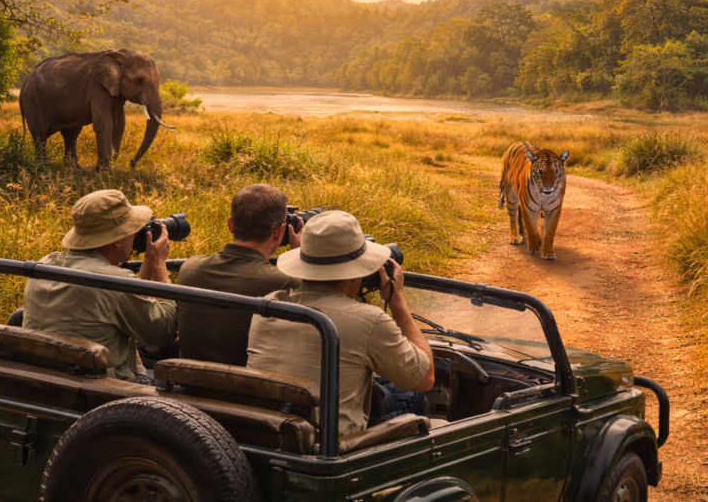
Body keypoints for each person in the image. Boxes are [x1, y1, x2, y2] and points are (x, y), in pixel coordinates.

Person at [247, 211, 435, 436]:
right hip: (334, 448)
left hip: (271, 434)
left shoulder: (269, 305)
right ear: (357, 274)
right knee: (414, 396)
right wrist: (397, 302)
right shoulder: (369, 321)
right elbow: (424, 379)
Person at [23, 189, 177, 383]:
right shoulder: (114, 283)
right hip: (101, 394)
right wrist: (160, 267)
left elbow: (128, 298)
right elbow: (165, 332)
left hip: (42, 382)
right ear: (117, 239)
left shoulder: (44, 265)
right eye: (132, 229)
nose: (134, 235)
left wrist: (149, 259)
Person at [176, 184, 301, 366]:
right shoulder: (285, 282)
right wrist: (299, 258)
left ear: (230, 224)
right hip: (248, 390)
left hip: (189, 385)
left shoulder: (190, 268)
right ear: (279, 231)